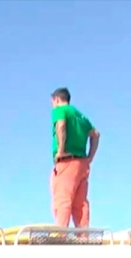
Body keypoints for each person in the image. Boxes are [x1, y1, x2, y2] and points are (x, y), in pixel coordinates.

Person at [50, 87, 100, 228]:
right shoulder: (80, 116)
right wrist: (90, 157)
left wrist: (60, 151)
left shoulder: (60, 110)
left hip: (66, 161)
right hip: (82, 164)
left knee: (62, 198)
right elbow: (95, 134)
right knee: (80, 202)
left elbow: (61, 125)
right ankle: (83, 235)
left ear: (57, 99)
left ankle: (60, 234)